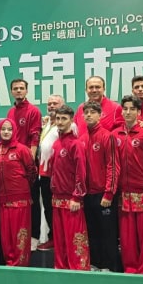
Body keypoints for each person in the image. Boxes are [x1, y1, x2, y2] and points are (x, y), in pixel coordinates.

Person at [113, 96, 143, 274]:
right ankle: (130, 270)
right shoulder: (115, 135)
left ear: (139, 112)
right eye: (125, 109)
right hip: (123, 195)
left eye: (132, 109)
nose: (128, 112)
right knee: (127, 238)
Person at [50, 105, 90, 271]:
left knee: (75, 238)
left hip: (71, 199)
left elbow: (81, 172)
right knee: (60, 240)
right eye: (58, 118)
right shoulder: (56, 143)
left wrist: (76, 197)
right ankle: (61, 268)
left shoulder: (76, 144)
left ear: (71, 120)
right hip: (57, 199)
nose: (60, 122)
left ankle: (79, 270)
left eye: (64, 119)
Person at [82, 101, 120, 272]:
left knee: (108, 233)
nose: (89, 115)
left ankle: (111, 267)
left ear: (100, 115)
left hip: (104, 195)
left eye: (93, 112)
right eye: (86, 112)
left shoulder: (107, 136)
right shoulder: (82, 139)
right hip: (87, 194)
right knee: (92, 232)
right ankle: (96, 263)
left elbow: (113, 165)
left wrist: (109, 193)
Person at [5, 78, 42, 249]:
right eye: (15, 88)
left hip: (27, 164)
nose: (18, 91)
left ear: (27, 91)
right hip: (11, 165)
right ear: (11, 91)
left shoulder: (33, 111)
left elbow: (35, 137)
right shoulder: (10, 112)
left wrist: (30, 163)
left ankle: (34, 237)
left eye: (21, 88)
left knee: (32, 201)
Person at [0, 118, 36, 266]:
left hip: (20, 200)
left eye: (9, 129)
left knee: (20, 235)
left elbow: (32, 171)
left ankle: (21, 265)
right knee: (6, 236)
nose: (6, 132)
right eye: (3, 129)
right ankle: (9, 264)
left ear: (14, 131)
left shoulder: (22, 149)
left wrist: (21, 188)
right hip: (2, 200)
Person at [36, 94, 64, 251]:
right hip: (44, 172)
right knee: (47, 206)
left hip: (57, 173)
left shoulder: (66, 125)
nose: (51, 106)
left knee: (56, 207)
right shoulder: (47, 124)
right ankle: (53, 237)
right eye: (49, 103)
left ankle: (60, 238)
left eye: (55, 103)